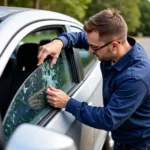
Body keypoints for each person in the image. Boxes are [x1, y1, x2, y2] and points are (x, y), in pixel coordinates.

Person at [37, 8, 150, 150]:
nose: (90, 51)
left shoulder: (135, 78)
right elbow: (80, 38)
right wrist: (60, 41)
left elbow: (108, 119)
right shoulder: (117, 47)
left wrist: (67, 102)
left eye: (94, 48)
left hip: (138, 145)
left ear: (114, 45)